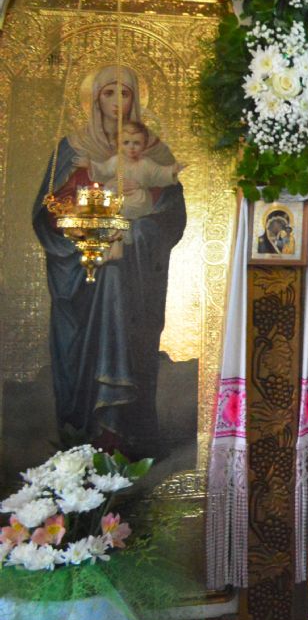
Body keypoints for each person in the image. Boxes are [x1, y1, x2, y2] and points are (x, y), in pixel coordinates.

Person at [34, 65, 186, 457]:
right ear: (94, 98)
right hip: (80, 277)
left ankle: (123, 436)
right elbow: (48, 212)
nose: (118, 102)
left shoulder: (153, 152)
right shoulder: (72, 150)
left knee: (117, 281)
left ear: (136, 98)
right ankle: (82, 437)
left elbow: (171, 217)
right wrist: (84, 228)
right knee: (105, 282)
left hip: (135, 277)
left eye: (126, 93)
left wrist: (136, 232)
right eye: (109, 93)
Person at [89, 120, 184, 221]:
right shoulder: (116, 161)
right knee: (111, 202)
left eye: (136, 143)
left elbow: (159, 174)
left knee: (139, 207)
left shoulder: (146, 163)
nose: (131, 147)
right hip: (119, 196)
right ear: (118, 144)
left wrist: (172, 171)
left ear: (144, 145)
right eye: (126, 143)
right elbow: (102, 170)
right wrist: (91, 166)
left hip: (139, 201)